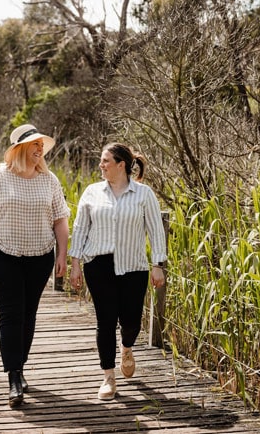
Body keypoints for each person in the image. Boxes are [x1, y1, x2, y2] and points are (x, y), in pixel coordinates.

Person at [0, 123, 70, 408]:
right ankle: (14, 376)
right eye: (34, 145)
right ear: (20, 149)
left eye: (42, 145)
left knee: (28, 315)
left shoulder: (49, 180)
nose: (40, 150)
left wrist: (62, 254)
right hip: (2, 254)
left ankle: (19, 365)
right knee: (11, 314)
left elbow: (60, 221)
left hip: (40, 257)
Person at [68, 142, 167, 400]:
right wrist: (75, 262)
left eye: (105, 161)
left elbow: (156, 231)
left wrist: (158, 265)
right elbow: (80, 229)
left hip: (133, 266)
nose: (101, 165)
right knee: (105, 320)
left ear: (121, 165)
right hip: (98, 265)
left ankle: (127, 347)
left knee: (132, 321)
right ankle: (108, 378)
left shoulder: (144, 195)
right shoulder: (92, 192)